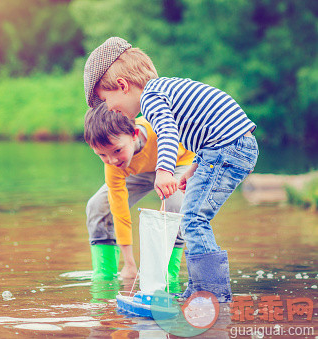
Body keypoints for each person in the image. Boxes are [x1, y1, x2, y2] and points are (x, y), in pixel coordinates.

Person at [83, 37, 258, 302]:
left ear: (123, 85)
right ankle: (199, 288)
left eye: (107, 100)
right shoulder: (164, 91)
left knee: (193, 220)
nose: (109, 109)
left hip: (229, 148)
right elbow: (206, 131)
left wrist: (165, 171)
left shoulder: (151, 99)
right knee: (193, 218)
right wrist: (194, 168)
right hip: (224, 147)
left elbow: (167, 132)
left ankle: (213, 293)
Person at [84, 102, 195, 291]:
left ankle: (167, 274)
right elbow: (119, 212)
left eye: (117, 150)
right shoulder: (114, 164)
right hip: (139, 171)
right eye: (101, 155)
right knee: (98, 205)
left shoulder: (158, 129)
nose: (111, 160)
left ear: (134, 135)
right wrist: (129, 264)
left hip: (178, 162)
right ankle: (105, 277)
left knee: (174, 202)